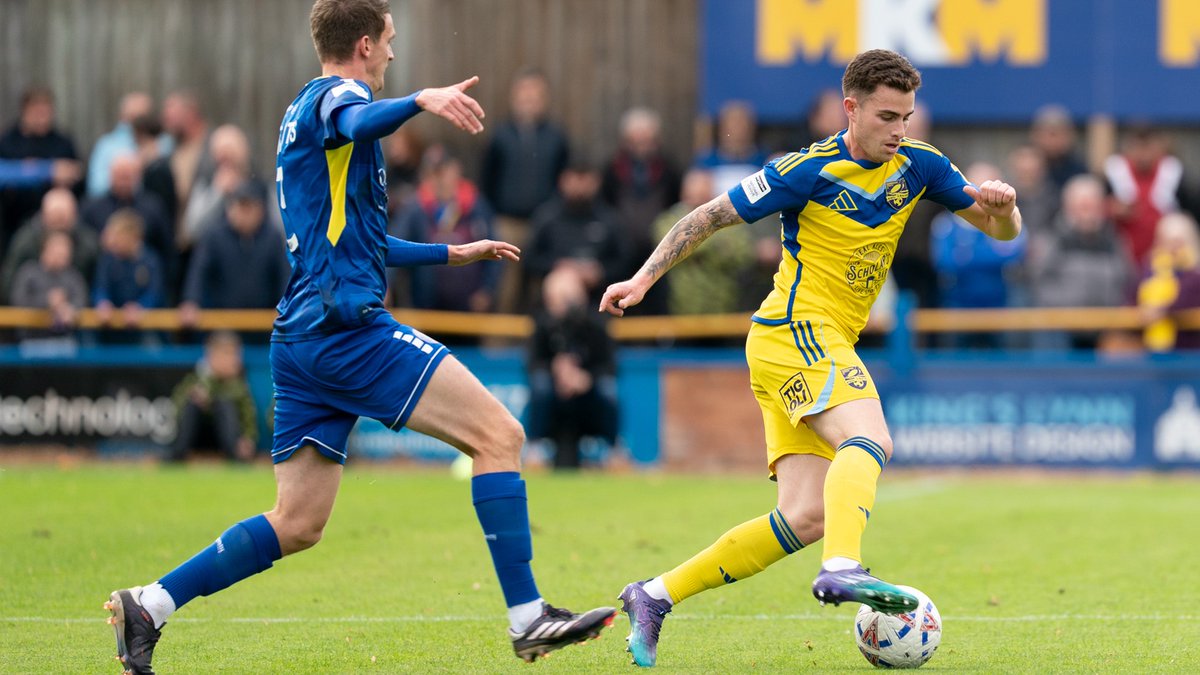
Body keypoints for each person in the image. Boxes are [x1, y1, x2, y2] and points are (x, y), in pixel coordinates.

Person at [103, 3, 615, 673]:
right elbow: (357, 117)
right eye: (391, 44)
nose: (395, 57)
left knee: (297, 521)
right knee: (501, 436)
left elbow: (358, 238)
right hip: (347, 331)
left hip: (302, 335)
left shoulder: (298, 111)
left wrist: (449, 256)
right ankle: (528, 616)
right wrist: (421, 102)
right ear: (365, 43)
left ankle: (150, 603)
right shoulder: (340, 99)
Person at [599, 49, 1022, 667]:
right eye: (886, 117)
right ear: (850, 108)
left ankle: (654, 595)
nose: (899, 130)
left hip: (807, 343)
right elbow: (711, 215)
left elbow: (1000, 234)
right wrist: (642, 279)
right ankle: (844, 569)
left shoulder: (921, 165)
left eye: (906, 116)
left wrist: (1005, 207)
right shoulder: (809, 168)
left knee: (804, 516)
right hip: (796, 330)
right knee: (870, 436)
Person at [526, 266, 619, 469]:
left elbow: (609, 366)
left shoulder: (596, 324)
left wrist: (586, 378)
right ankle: (534, 450)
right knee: (539, 386)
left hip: (587, 393)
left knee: (608, 389)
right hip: (554, 393)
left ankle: (614, 451)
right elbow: (532, 364)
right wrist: (556, 371)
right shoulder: (542, 325)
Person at [166, 331, 258, 463]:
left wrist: (248, 440)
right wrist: (196, 396)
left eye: (236, 354)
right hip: (197, 440)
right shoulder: (194, 380)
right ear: (212, 355)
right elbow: (176, 411)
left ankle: (235, 458)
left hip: (227, 442)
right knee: (192, 406)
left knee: (224, 405)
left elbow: (249, 418)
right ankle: (177, 456)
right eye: (228, 354)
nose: (234, 360)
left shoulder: (239, 386)